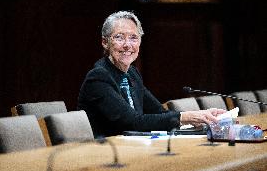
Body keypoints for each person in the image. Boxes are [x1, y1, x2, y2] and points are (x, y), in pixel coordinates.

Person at [78, 11, 226, 137]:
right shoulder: (98, 78)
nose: (127, 45)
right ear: (105, 42)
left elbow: (159, 112)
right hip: (106, 157)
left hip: (132, 149)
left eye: (133, 38)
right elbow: (132, 122)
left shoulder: (132, 74)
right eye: (119, 37)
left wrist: (200, 116)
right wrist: (185, 117)